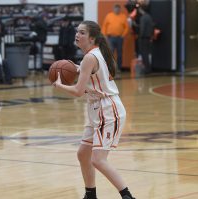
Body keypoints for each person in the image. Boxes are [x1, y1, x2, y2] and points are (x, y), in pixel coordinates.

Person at [52, 20, 135, 199]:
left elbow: (77, 91)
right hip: (96, 109)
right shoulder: (94, 55)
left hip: (108, 110)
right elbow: (88, 72)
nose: (77, 35)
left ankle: (127, 195)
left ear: (92, 38)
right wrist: (76, 68)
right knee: (83, 154)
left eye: (82, 32)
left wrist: (59, 85)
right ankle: (90, 195)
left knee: (98, 160)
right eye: (77, 31)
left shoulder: (90, 57)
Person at [102, 4, 129, 72]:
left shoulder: (123, 16)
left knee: (120, 53)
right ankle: (110, 68)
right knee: (110, 53)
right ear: (113, 9)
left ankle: (119, 68)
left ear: (120, 9)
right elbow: (104, 26)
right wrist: (104, 35)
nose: (117, 10)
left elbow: (127, 27)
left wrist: (123, 35)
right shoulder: (109, 15)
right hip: (110, 38)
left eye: (118, 9)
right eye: (115, 8)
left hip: (120, 38)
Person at [138, 6, 154, 74]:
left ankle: (147, 69)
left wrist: (140, 36)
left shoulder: (143, 18)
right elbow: (152, 27)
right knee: (147, 53)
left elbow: (142, 28)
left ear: (141, 10)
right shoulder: (149, 17)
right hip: (148, 37)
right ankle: (148, 68)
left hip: (143, 38)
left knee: (144, 53)